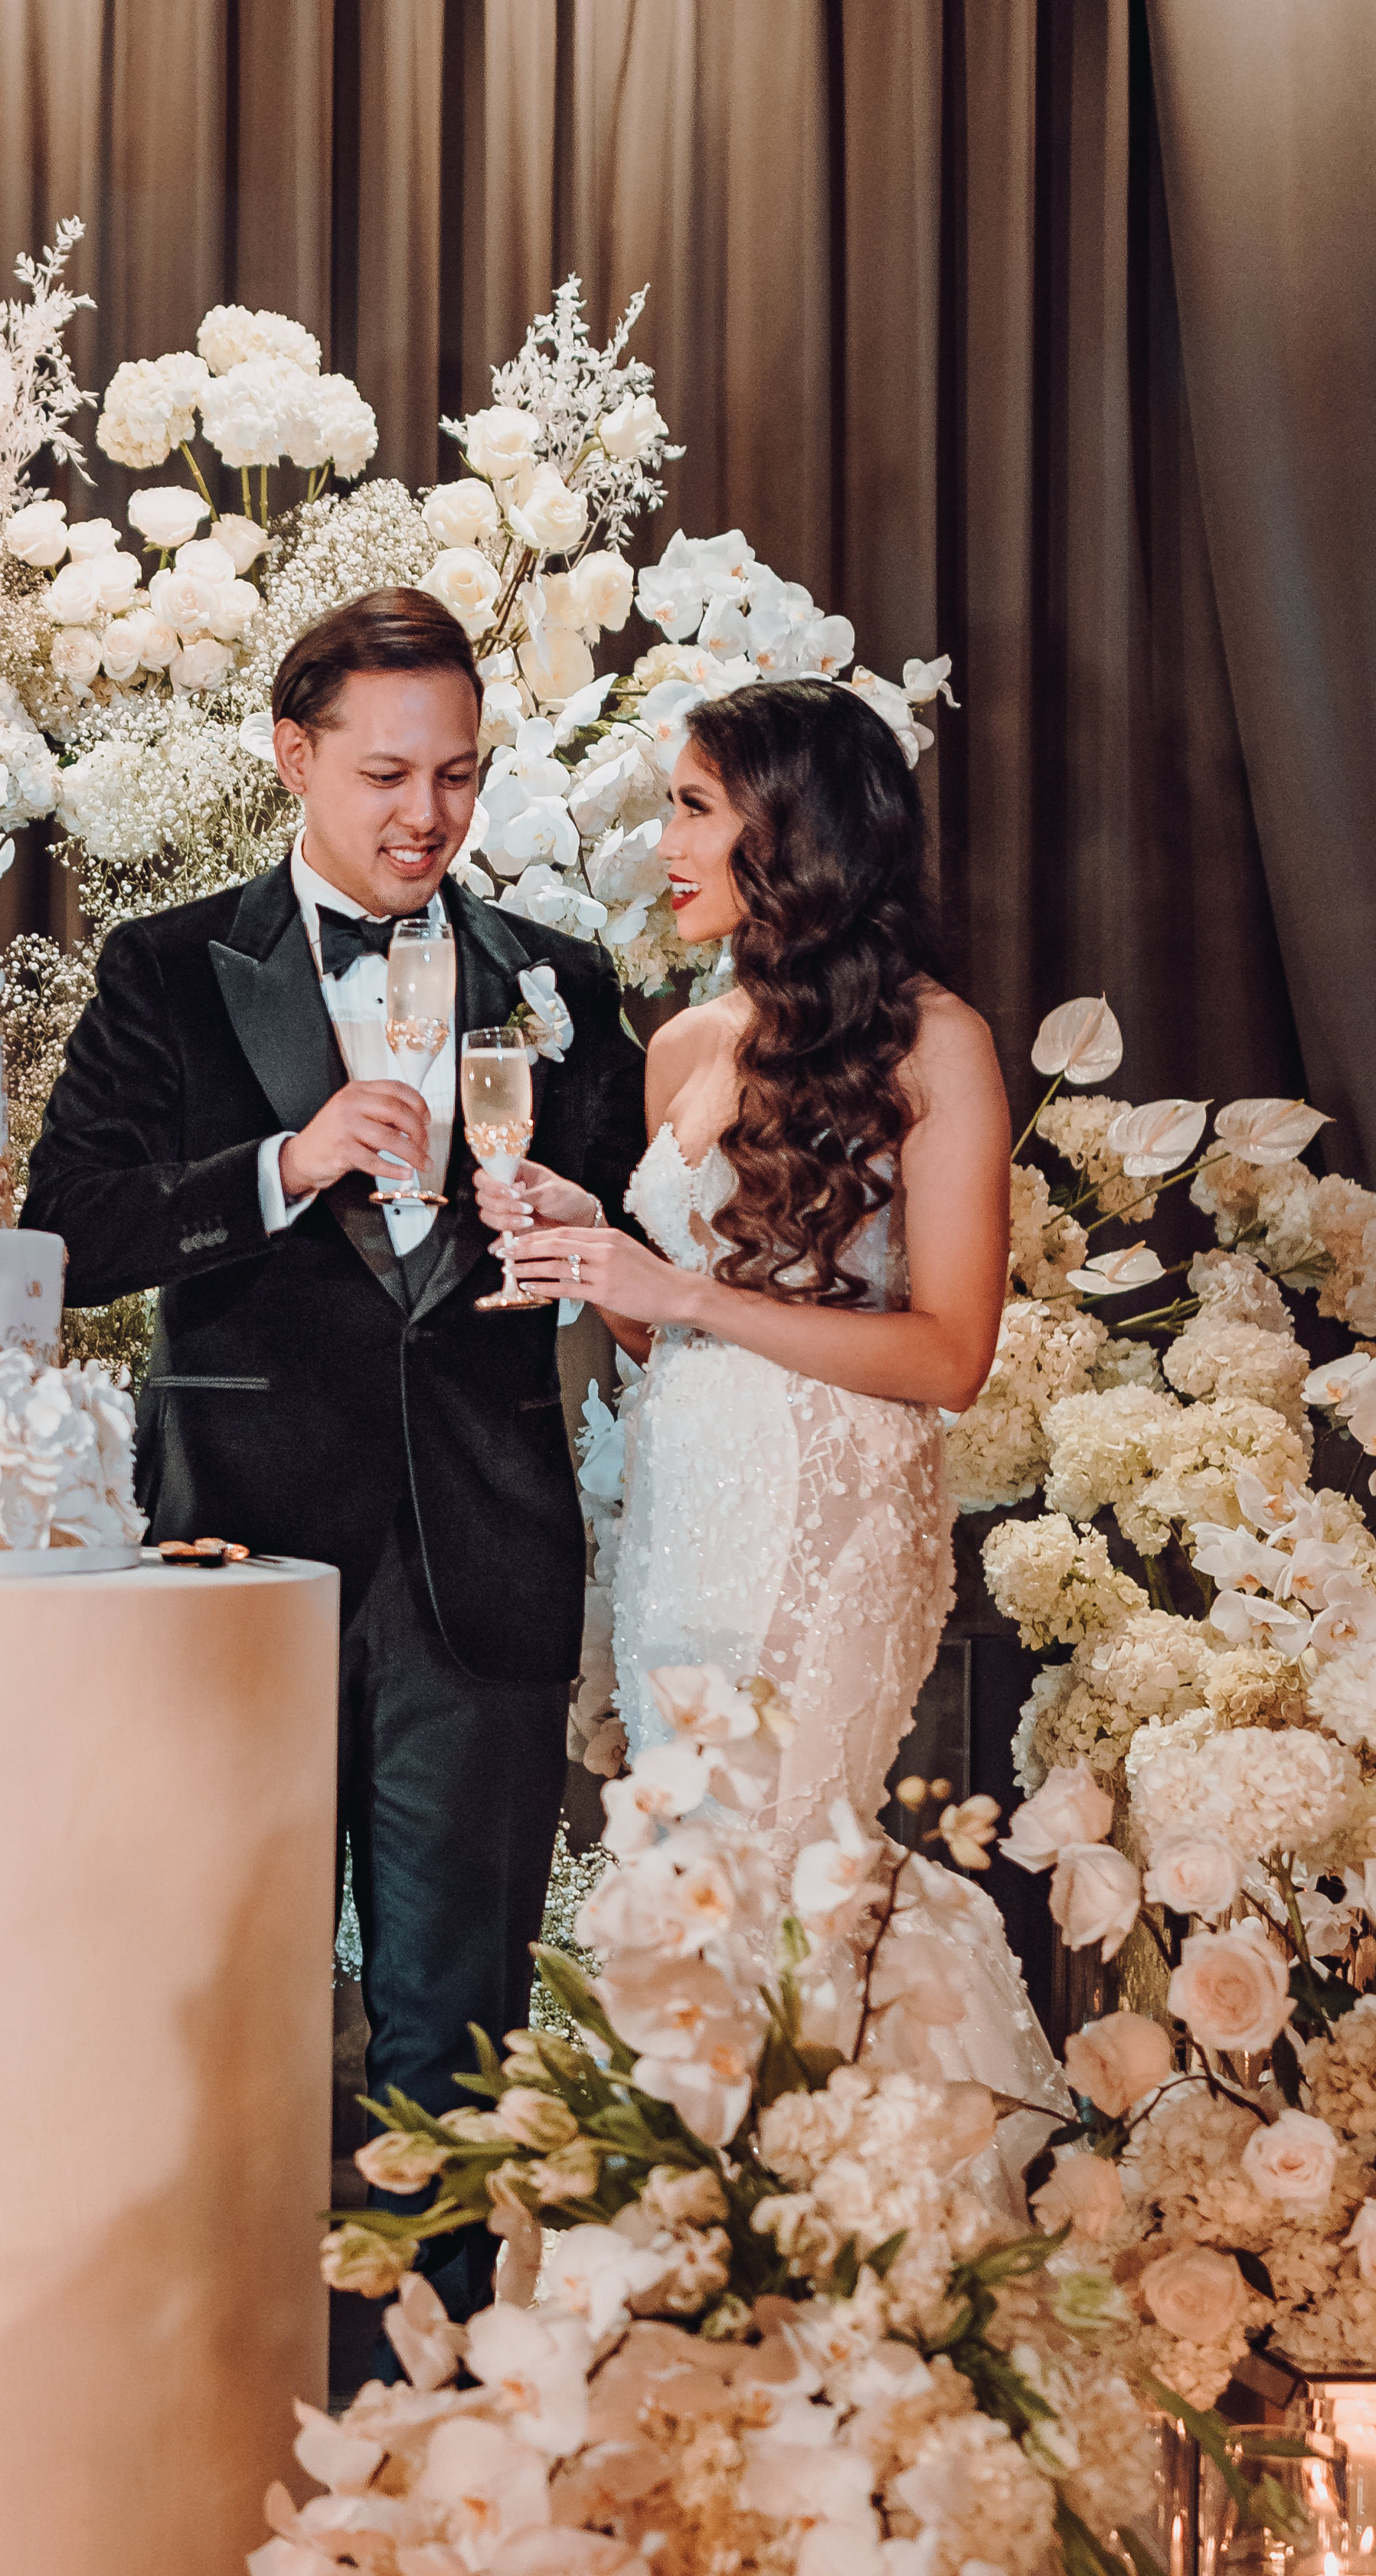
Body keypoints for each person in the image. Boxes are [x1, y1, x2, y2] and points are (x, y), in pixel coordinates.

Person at [25, 590, 649, 2241]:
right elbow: (68, 1232)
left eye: (455, 776)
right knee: (215, 2021)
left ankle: (437, 2450)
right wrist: (279, 1171)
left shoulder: (560, 979)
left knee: (458, 2046)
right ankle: (214, 2431)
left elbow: (650, 1259)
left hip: (482, 1562)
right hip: (239, 1553)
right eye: (383, 776)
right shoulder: (165, 969)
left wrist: (585, 1239)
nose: (424, 817)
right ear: (292, 756)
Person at [490, 675, 1067, 2143]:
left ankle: (817, 2266)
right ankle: (683, 2278)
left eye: (693, 806)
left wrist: (677, 1294)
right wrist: (598, 1251)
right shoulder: (684, 1046)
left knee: (785, 1863)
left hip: (829, 1520)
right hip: (679, 1527)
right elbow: (661, 1335)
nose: (666, 840)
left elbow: (949, 1356)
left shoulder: (938, 1045)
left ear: (794, 829)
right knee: (680, 1876)